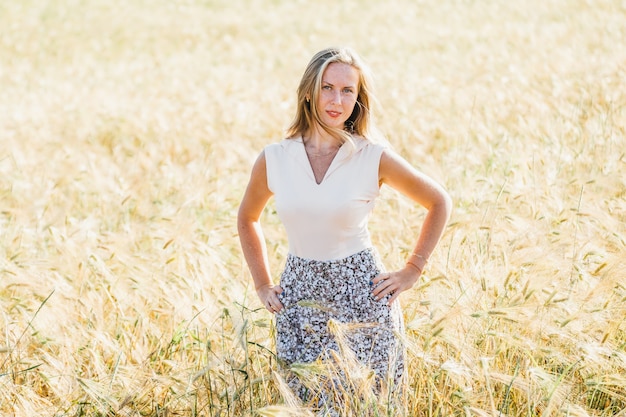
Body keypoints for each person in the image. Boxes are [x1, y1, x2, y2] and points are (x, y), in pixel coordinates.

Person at [237, 47, 452, 408]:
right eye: (327, 87)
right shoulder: (275, 158)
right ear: (309, 90)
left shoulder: (372, 156)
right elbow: (247, 218)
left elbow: (439, 201)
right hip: (300, 300)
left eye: (348, 91)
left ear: (358, 98)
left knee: (368, 406)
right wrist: (261, 284)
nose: (337, 100)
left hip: (363, 299)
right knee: (307, 407)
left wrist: (413, 269)